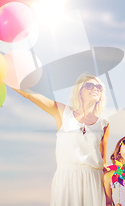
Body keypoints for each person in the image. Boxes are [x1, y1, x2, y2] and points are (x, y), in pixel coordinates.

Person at [14, 74, 110, 206]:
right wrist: (6, 78)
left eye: (98, 86)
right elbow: (30, 95)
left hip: (94, 180)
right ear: (79, 91)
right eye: (89, 85)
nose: (95, 89)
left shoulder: (104, 124)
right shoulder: (63, 112)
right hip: (67, 177)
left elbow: (103, 162)